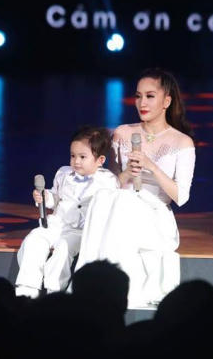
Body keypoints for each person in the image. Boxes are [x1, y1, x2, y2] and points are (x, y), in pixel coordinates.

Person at [75, 68, 195, 307]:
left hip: (155, 214)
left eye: (150, 96)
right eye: (138, 96)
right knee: (104, 197)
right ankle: (92, 286)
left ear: (166, 101)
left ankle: (116, 289)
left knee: (121, 202)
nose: (142, 103)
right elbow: (111, 182)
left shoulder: (182, 142)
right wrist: (127, 173)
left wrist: (151, 166)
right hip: (121, 205)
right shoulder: (123, 133)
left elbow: (181, 197)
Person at [15, 126, 119, 298]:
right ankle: (26, 289)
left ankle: (54, 291)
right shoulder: (63, 173)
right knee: (34, 240)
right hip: (56, 224)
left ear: (100, 160)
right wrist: (45, 196)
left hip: (79, 230)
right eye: (73, 156)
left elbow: (108, 208)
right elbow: (56, 197)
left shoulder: (107, 181)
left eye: (82, 157)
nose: (76, 161)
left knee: (63, 249)